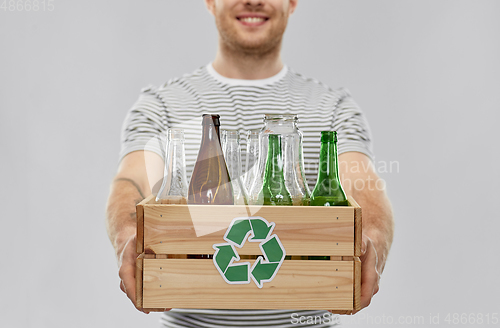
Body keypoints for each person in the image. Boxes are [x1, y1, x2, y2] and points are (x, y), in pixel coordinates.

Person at [105, 0, 394, 327]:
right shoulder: (161, 105)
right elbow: (133, 183)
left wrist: (370, 244)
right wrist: (129, 237)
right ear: (211, 2)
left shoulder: (333, 108)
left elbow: (361, 186)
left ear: (293, 3)